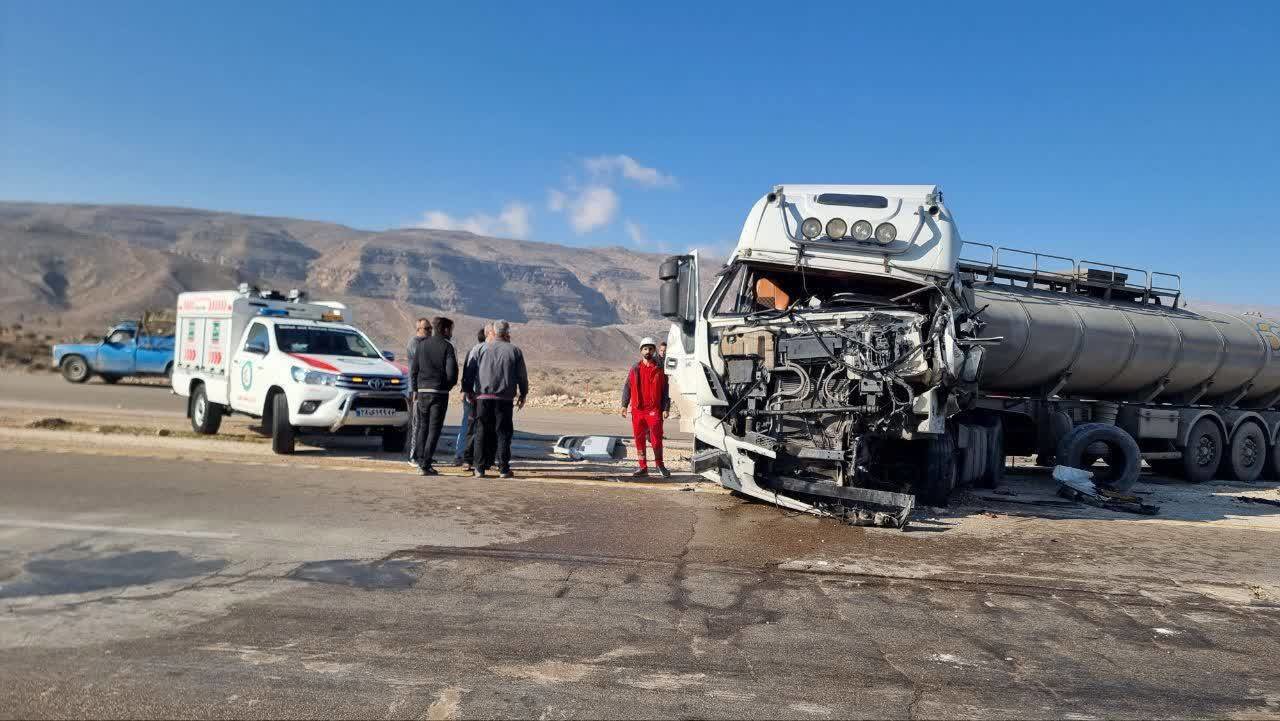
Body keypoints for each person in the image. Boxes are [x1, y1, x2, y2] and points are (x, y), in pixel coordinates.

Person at [469, 319, 527, 478]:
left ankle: (479, 468)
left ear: (494, 332)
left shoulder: (480, 348)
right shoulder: (515, 350)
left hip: (483, 397)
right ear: (507, 333)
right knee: (503, 433)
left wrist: (468, 390)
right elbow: (522, 376)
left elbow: (470, 370)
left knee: (481, 431)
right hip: (504, 399)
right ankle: (503, 468)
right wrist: (523, 393)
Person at [410, 316, 457, 476]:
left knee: (423, 427)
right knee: (434, 429)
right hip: (439, 393)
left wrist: (416, 389)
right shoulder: (447, 347)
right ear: (444, 329)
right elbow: (452, 374)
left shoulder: (421, 346)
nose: (451, 333)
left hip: (422, 393)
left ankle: (420, 460)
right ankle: (425, 464)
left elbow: (414, 370)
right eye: (450, 329)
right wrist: (446, 387)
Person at [621, 337, 671, 478]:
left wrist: (666, 408)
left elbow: (666, 390)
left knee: (656, 438)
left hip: (654, 410)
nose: (647, 351)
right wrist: (624, 405)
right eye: (645, 349)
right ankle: (643, 467)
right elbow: (627, 387)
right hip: (637, 411)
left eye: (650, 349)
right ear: (641, 351)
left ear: (654, 350)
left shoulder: (659, 370)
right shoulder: (635, 369)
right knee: (639, 439)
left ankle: (659, 465)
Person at [454, 326, 489, 468]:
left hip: (470, 394)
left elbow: (466, 373)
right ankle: (477, 458)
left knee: (466, 425)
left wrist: (466, 390)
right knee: (480, 426)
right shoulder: (487, 351)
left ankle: (460, 455)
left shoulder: (472, 350)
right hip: (479, 395)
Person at [405, 318, 431, 465]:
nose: (429, 331)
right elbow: (421, 362)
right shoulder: (414, 343)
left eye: (430, 328)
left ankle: (424, 454)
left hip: (424, 388)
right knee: (416, 424)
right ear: (418, 329)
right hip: (416, 389)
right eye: (426, 329)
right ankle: (412, 455)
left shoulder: (427, 343)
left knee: (425, 424)